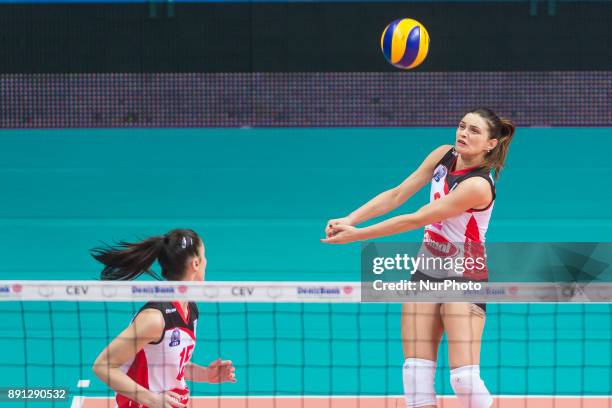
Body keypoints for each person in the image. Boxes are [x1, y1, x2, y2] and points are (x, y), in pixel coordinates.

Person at [322, 108, 515, 408]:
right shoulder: (443, 155)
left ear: (491, 143)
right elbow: (398, 194)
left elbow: (416, 218)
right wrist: (351, 218)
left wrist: (355, 236)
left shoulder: (477, 186)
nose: (463, 133)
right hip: (427, 270)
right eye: (462, 126)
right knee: (415, 377)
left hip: (465, 276)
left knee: (463, 380)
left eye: (474, 131)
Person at [91, 229, 236, 408]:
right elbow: (103, 366)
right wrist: (152, 400)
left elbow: (167, 363)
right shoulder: (154, 319)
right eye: (204, 256)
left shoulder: (190, 309)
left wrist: (206, 374)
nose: (207, 261)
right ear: (196, 263)